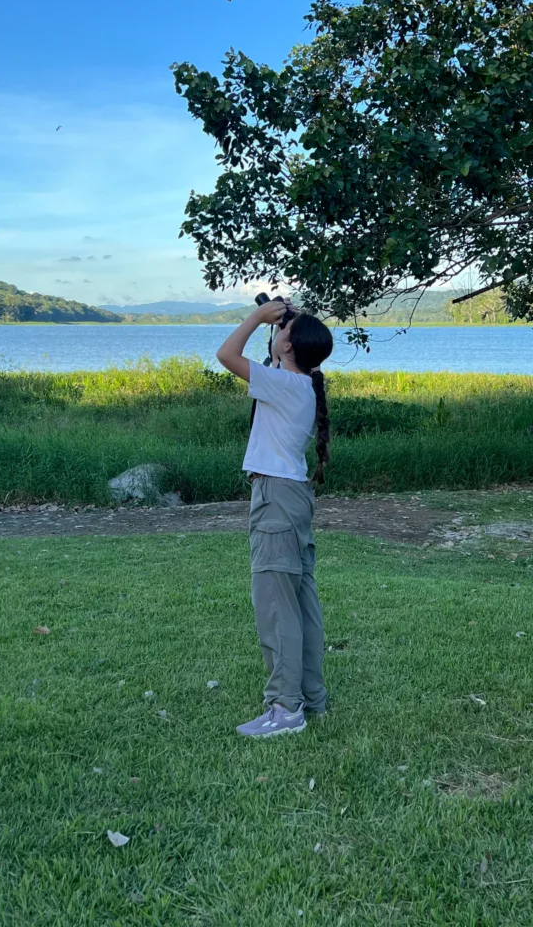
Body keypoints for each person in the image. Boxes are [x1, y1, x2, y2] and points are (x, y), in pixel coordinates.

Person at [216, 298, 334, 738]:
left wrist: (256, 318)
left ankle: (286, 709)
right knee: (300, 601)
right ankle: (310, 696)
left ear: (288, 347)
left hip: (276, 499)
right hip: (294, 495)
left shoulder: (283, 385)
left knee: (275, 605)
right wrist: (281, 326)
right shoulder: (298, 383)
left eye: (284, 331)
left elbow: (227, 356)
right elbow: (272, 356)